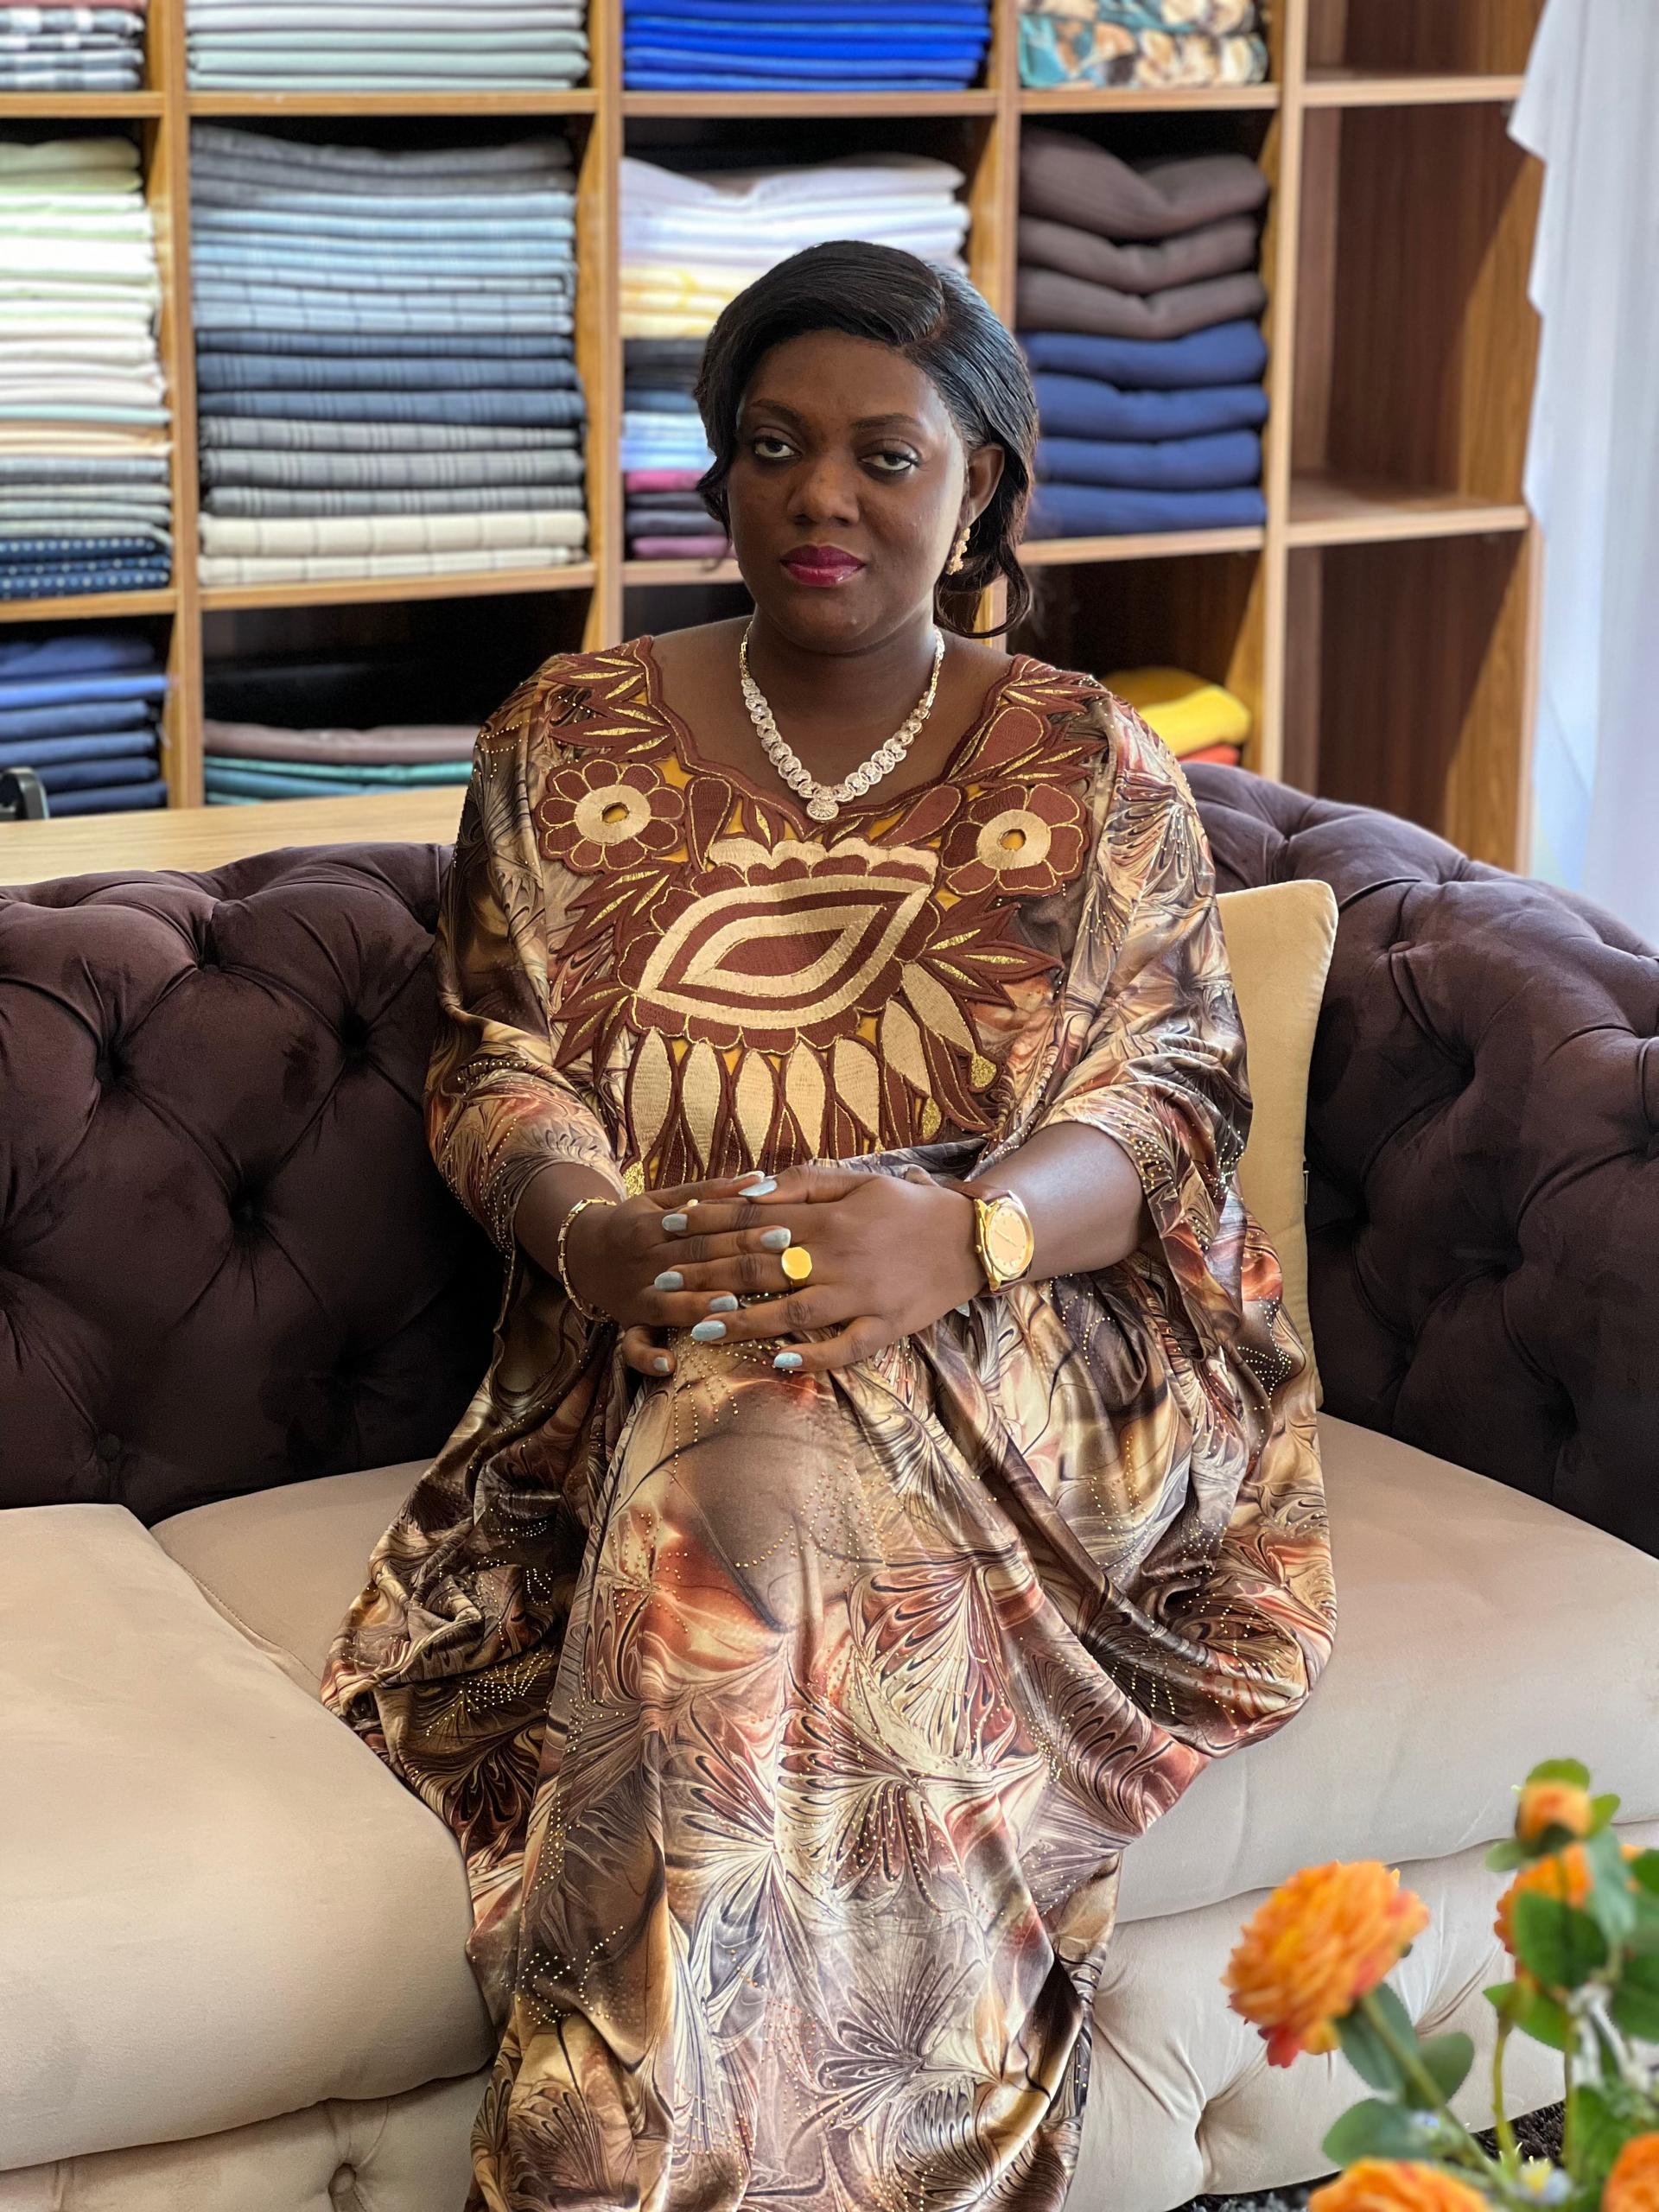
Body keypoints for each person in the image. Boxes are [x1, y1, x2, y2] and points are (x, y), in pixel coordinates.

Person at [324, 239, 1333, 2212]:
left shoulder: (1089, 757)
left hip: (1045, 1346)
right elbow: (491, 1060)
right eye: (775, 445)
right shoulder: (564, 736)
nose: (822, 497)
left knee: (752, 1472)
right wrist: (597, 1238)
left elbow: (1173, 1094)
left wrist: (961, 1238)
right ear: (718, 471)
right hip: (663, 1327)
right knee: (748, 1442)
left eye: (888, 454)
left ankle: (607, 2166)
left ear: (980, 487)